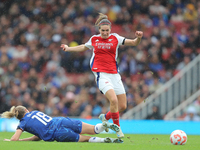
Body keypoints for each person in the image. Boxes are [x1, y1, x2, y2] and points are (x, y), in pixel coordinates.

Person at [60, 13, 143, 138]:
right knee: (113, 100)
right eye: (103, 30)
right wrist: (68, 48)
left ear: (110, 30)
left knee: (122, 106)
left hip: (114, 74)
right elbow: (83, 47)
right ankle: (118, 129)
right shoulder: (94, 39)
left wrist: (139, 38)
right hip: (101, 74)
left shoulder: (116, 38)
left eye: (107, 30)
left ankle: (105, 117)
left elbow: (133, 43)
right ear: (99, 30)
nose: (105, 33)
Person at [1, 106, 123, 143]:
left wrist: (12, 141)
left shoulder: (23, 122)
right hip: (60, 120)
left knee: (86, 139)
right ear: (26, 110)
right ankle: (103, 125)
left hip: (57, 133)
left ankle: (106, 141)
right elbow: (37, 136)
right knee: (93, 129)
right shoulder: (35, 112)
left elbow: (15, 138)